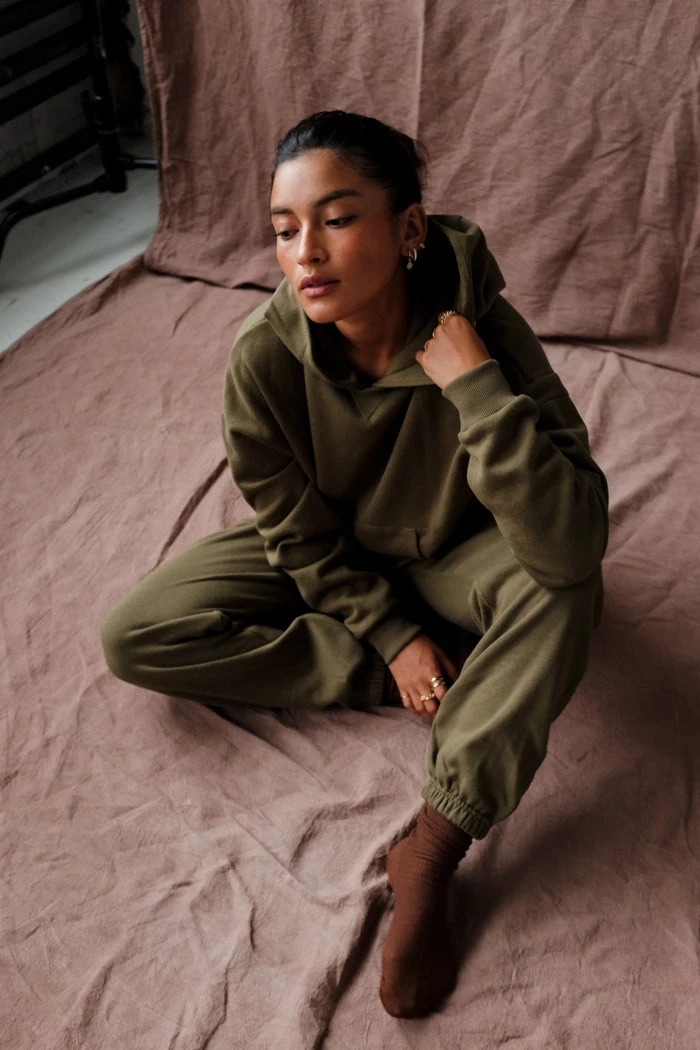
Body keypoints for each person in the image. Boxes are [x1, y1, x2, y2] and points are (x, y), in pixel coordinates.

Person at [100, 109, 608, 1019]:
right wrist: (395, 638)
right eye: (284, 229)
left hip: (461, 551)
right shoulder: (263, 357)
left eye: (336, 219)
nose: (306, 252)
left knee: (564, 591)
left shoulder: (482, 330)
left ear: (408, 228)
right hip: (335, 548)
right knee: (138, 635)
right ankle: (453, 665)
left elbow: (571, 542)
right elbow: (294, 531)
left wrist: (478, 389)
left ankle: (434, 845)